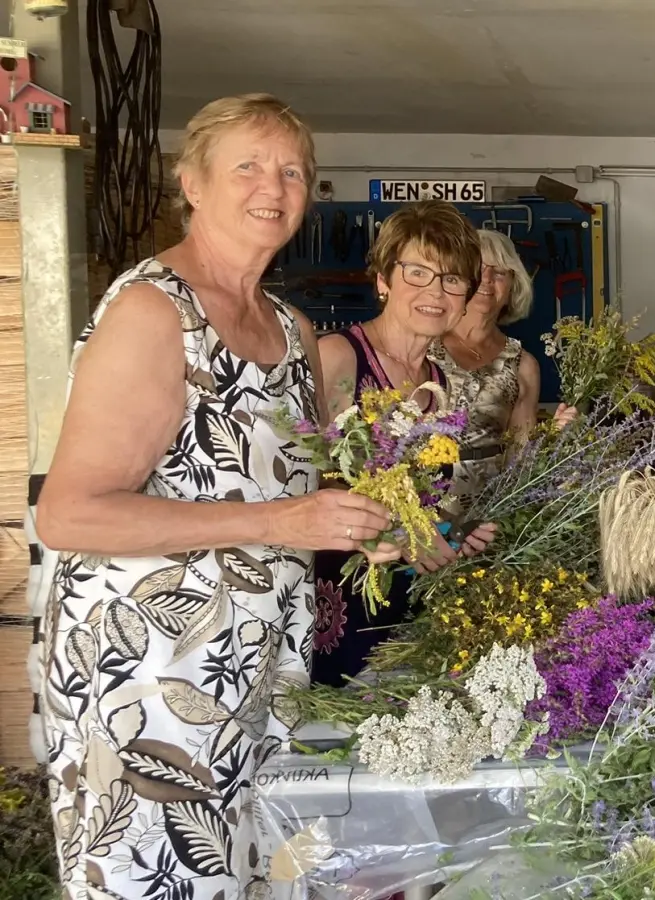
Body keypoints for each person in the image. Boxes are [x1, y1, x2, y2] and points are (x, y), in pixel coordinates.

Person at [32, 94, 400, 899]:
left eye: (293, 170)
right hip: (149, 684)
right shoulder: (153, 312)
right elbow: (69, 513)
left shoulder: (294, 331)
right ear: (192, 183)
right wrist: (285, 521)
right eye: (249, 166)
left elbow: (279, 484)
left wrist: (353, 524)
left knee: (257, 880)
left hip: (258, 669)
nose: (274, 185)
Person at [310, 201, 495, 686]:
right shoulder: (339, 357)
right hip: (341, 593)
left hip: (409, 600)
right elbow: (309, 478)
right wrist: (403, 533)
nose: (435, 292)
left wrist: (456, 534)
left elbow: (428, 499)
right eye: (417, 272)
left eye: (453, 279)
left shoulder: (437, 381)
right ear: (383, 280)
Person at [432, 229, 575, 510]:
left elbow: (520, 458)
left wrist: (552, 438)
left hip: (488, 509)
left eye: (499, 272)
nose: (486, 280)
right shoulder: (422, 345)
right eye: (477, 270)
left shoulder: (522, 364)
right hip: (417, 503)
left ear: (512, 285)